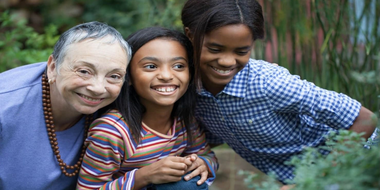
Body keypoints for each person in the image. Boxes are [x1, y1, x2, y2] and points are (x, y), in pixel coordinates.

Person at [181, 0, 378, 186]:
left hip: (358, 166)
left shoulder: (270, 84)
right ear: (190, 35)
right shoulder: (188, 89)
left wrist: (314, 180)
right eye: (215, 49)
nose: (227, 61)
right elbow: (209, 137)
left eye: (241, 52)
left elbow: (365, 119)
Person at [76, 27, 218, 190]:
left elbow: (208, 156)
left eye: (178, 66)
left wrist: (202, 164)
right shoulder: (112, 132)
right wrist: (143, 176)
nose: (166, 75)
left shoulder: (184, 121)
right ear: (127, 77)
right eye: (151, 66)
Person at [0, 21, 132, 190]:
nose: (98, 88)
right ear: (53, 67)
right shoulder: (5, 106)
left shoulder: (117, 109)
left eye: (114, 76)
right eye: (84, 71)